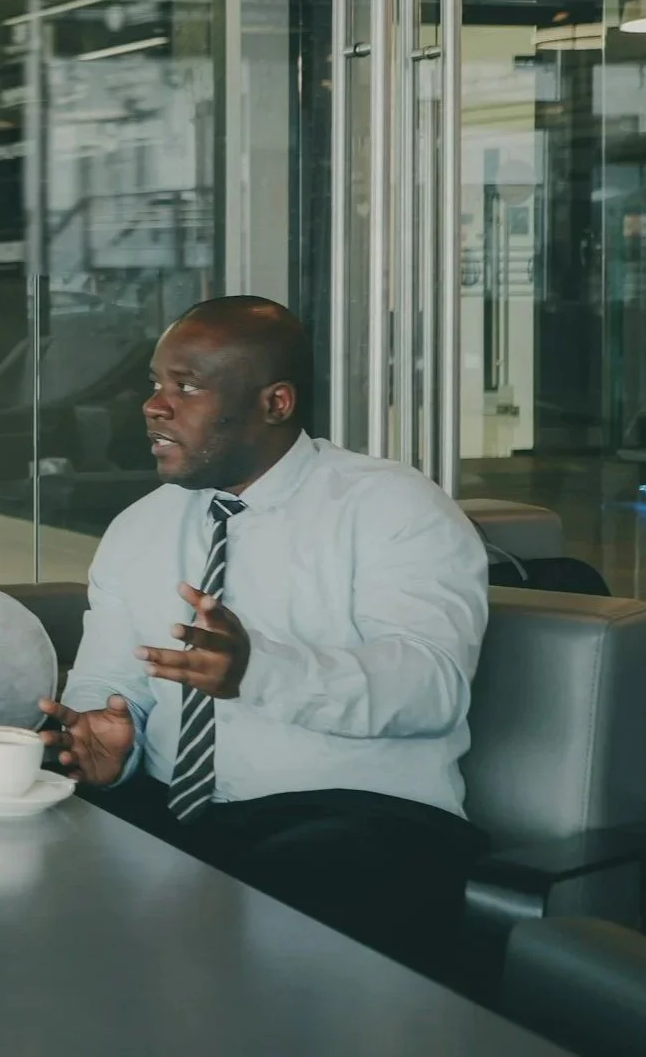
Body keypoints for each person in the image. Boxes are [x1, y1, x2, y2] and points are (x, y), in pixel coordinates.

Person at [38, 296, 488, 975]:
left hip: (362, 820)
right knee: (30, 881)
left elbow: (432, 687)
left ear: (275, 403)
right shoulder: (140, 528)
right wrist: (105, 741)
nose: (155, 406)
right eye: (156, 385)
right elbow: (110, 683)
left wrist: (258, 672)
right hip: (176, 810)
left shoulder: (393, 507)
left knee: (241, 925)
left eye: (186, 387)